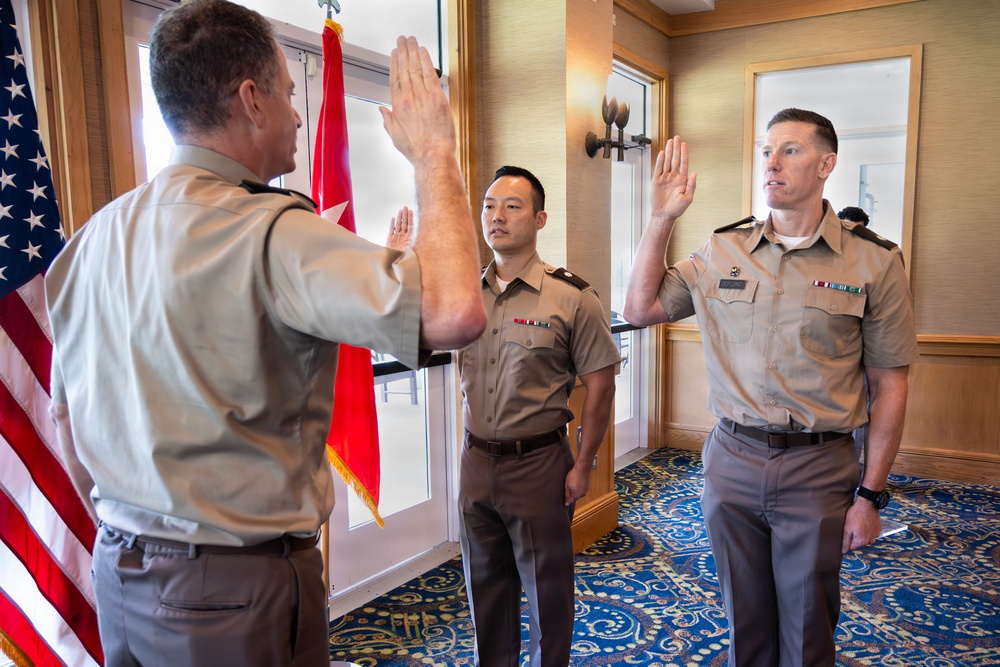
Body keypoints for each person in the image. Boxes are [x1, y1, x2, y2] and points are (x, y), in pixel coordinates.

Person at [44, 1, 486, 665]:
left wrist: (136, 528)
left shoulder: (89, 240)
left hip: (118, 571)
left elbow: (62, 416)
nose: (299, 111)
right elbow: (454, 311)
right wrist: (435, 153)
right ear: (251, 100)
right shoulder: (274, 232)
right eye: (285, 91)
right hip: (231, 593)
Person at [623, 109, 918, 666]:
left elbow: (890, 384)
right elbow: (640, 309)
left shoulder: (874, 261)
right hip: (732, 458)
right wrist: (661, 217)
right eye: (767, 151)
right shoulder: (722, 249)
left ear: (827, 165)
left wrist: (871, 495)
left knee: (808, 624)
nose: (772, 163)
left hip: (819, 465)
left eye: (790, 150)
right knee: (746, 618)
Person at [457, 166, 620, 667]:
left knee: (546, 591)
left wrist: (584, 464)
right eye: (488, 205)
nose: (496, 216)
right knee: (484, 587)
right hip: (476, 461)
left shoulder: (571, 297)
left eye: (512, 205)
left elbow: (601, 383)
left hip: (539, 464)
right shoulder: (463, 293)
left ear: (540, 217)